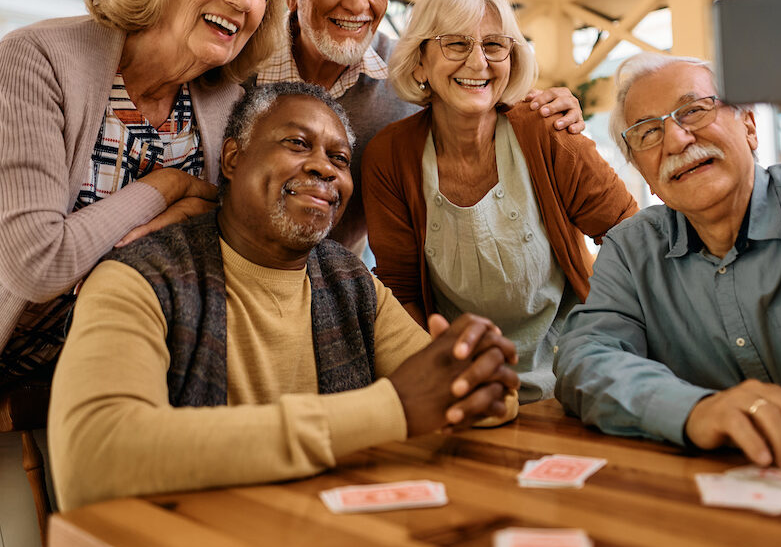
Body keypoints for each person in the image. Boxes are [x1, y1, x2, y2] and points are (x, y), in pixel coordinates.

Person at [48, 82, 519, 511]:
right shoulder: (139, 279)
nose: (323, 167)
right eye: (297, 143)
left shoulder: (350, 281)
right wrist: (390, 410)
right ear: (233, 159)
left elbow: (462, 397)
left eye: (339, 159)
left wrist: (481, 372)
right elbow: (95, 457)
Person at [554, 0, 781, 471]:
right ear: (645, 175)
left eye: (694, 110)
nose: (675, 139)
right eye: (648, 133)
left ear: (751, 128)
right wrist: (694, 409)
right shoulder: (632, 249)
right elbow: (584, 358)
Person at [0, 0, 285, 382]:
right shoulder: (37, 59)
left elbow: (236, 232)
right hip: (21, 361)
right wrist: (169, 188)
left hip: (142, 364)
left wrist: (207, 208)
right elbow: (39, 264)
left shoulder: (228, 103)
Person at [254, 0, 585, 254]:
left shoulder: (415, 71)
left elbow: (485, 93)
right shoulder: (237, 68)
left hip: (341, 288)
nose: (357, 3)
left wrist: (552, 108)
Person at [362, 0, 638, 403]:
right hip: (464, 385)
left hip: (574, 377)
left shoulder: (547, 129)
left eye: (494, 45)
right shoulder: (389, 156)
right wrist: (442, 378)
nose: (478, 63)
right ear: (419, 62)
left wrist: (598, 338)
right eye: (456, 44)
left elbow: (629, 237)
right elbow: (401, 291)